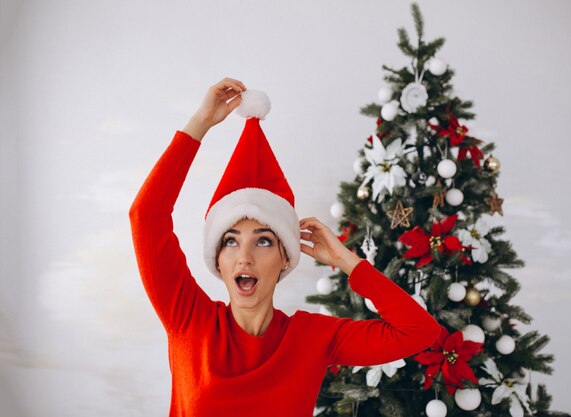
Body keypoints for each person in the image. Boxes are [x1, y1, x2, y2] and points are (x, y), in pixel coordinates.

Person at [129, 77, 440, 417]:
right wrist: (200, 124)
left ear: (285, 257)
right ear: (217, 259)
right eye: (230, 241)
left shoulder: (310, 339)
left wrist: (347, 261)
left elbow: (419, 332)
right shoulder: (189, 320)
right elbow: (146, 216)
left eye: (263, 240)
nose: (244, 257)